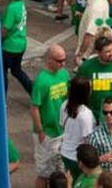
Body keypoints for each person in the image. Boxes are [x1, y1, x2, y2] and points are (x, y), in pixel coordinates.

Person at [31, 45, 71, 188]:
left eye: (64, 60)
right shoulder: (42, 80)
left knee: (62, 171)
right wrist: (40, 131)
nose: (63, 63)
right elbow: (35, 108)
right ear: (49, 60)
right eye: (59, 61)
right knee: (44, 173)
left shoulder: (64, 74)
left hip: (62, 131)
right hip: (47, 134)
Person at [2, 0, 33, 95]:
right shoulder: (21, 4)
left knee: (2, 71)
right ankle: (31, 89)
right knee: (16, 70)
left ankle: (2, 97)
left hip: (9, 46)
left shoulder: (11, 8)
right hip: (21, 44)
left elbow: (5, 30)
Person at [59, 76, 95, 179]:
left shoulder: (64, 105)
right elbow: (87, 140)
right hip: (78, 158)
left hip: (65, 153)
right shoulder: (86, 114)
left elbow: (62, 125)